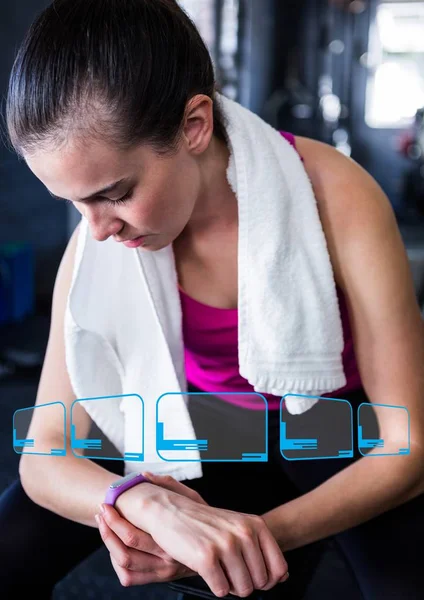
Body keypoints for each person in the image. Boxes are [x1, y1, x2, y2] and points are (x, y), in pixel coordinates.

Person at [1, 1, 424, 599]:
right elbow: (42, 455)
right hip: (200, 418)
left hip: (332, 424)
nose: (96, 231)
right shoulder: (98, 241)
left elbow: (411, 448)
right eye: (75, 202)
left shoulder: (341, 197)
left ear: (194, 125)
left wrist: (253, 536)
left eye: (115, 193)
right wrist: (140, 500)